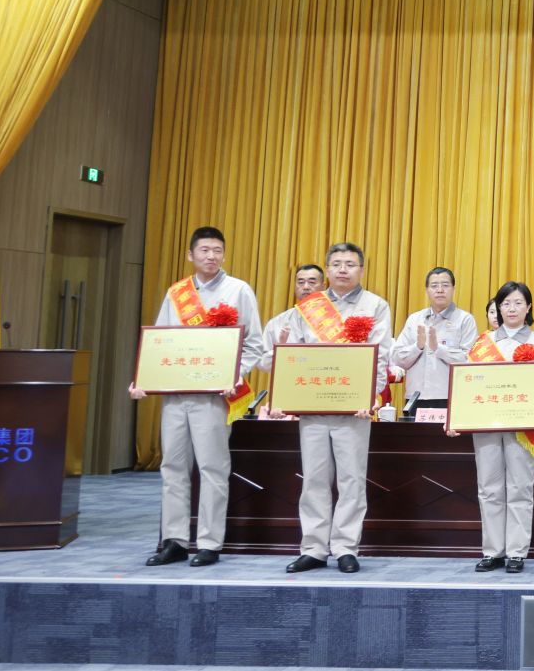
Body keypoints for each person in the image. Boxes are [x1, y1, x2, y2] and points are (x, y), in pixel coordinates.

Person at [133, 226, 267, 569]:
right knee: (172, 467)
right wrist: (144, 378)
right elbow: (160, 342)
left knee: (212, 468)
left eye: (217, 250)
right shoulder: (177, 293)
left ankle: (209, 542)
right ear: (190, 255)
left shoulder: (238, 290)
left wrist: (234, 375)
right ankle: (174, 540)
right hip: (176, 395)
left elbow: (254, 344)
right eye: (204, 250)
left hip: (213, 397)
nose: (211, 256)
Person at [266, 242, 393, 575]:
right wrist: (284, 397)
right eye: (336, 264)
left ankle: (346, 547)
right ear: (327, 270)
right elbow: (293, 354)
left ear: (361, 269)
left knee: (352, 480)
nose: (342, 269)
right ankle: (313, 548)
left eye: (350, 264)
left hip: (353, 409)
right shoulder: (309, 307)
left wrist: (371, 395)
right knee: (314, 479)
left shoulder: (375, 305)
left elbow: (380, 354)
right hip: (313, 407)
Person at [450, 281, 534, 573]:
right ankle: (493, 551)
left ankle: (517, 552)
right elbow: (468, 383)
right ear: (497, 308)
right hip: (487, 424)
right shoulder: (483, 343)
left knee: (520, 487)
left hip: (524, 426)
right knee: (489, 488)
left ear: (528, 307)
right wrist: (457, 416)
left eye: (518, 303)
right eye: (505, 303)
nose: (511, 309)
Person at [392, 266, 478, 416]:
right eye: (434, 286)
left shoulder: (465, 319)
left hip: (451, 397)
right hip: (416, 398)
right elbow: (397, 358)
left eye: (445, 285)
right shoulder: (414, 319)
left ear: (453, 289)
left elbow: (470, 360)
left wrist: (439, 349)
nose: (440, 290)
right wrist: (417, 347)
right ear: (427, 290)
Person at [262, 262, 325, 338]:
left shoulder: (333, 320)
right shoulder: (276, 323)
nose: (305, 287)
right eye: (301, 282)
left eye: (311, 282)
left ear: (323, 287)